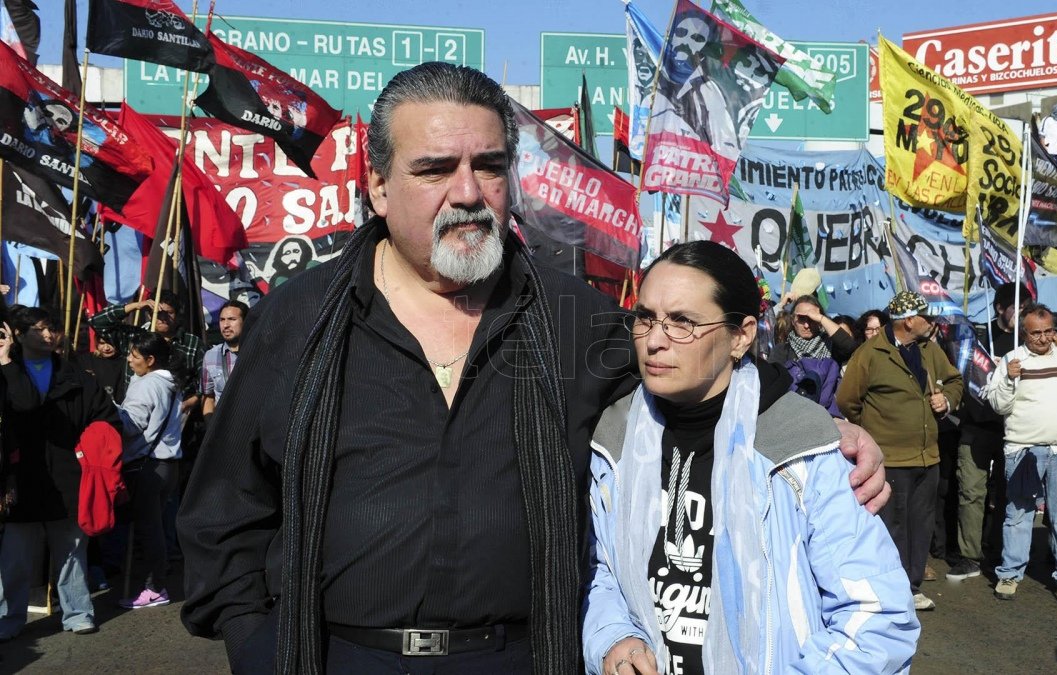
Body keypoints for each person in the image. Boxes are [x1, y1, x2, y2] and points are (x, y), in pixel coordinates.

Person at [176, 63, 889, 674]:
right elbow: (224, 513)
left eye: (487, 166)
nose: (467, 192)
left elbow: (701, 379)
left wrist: (817, 425)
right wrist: (257, 642)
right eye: (433, 169)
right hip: (335, 656)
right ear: (378, 187)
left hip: (525, 656)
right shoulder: (299, 319)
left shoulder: (575, 317)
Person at [583, 241, 918, 675]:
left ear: (741, 335)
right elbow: (598, 571)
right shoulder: (612, 441)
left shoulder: (802, 449)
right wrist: (613, 638)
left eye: (683, 322)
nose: (654, 341)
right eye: (645, 318)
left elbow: (878, 619)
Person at [838, 290, 964, 611]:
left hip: (927, 456)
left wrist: (946, 399)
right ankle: (889, 587)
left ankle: (911, 584)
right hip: (889, 458)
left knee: (920, 524)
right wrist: (874, 431)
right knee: (890, 524)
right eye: (926, 317)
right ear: (909, 321)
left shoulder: (929, 349)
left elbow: (955, 381)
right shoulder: (870, 354)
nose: (931, 323)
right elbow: (847, 400)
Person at [0, 306, 120, 639]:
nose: (50, 335)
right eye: (40, 329)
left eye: (53, 328)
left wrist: (91, 450)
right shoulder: (5, 370)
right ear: (19, 335)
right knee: (15, 559)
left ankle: (78, 613)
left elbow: (107, 419)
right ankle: (9, 618)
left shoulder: (76, 377)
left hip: (69, 477)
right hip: (20, 479)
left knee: (72, 554)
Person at [986, 305, 1057, 601]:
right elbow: (999, 406)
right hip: (1024, 450)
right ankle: (1009, 573)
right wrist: (1008, 378)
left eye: (1048, 332)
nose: (1043, 339)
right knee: (1019, 514)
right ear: (1024, 332)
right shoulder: (1011, 360)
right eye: (1036, 333)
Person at [946, 283, 1026, 582]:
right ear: (1000, 308)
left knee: (1008, 494)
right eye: (1018, 308)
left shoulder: (1027, 342)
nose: (1023, 314)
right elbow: (958, 369)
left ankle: (1000, 551)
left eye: (1027, 308)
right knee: (971, 491)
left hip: (1013, 429)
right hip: (976, 425)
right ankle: (970, 555)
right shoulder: (977, 337)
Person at [116, 333, 185, 610]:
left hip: (148, 465)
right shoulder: (169, 383)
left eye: (134, 355)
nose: (129, 360)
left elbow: (131, 425)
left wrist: (108, 408)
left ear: (151, 360)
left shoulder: (147, 386)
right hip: (167, 466)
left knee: (149, 530)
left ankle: (155, 588)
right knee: (154, 527)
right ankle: (154, 581)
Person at [89, 290, 204, 413]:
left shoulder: (192, 343)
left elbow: (205, 380)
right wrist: (137, 305)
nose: (163, 318)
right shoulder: (135, 337)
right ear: (149, 314)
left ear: (177, 314)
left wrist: (189, 402)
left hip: (177, 415)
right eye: (158, 313)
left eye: (169, 313)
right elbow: (96, 322)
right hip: (136, 412)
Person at [770, 294, 858, 365]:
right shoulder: (782, 351)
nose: (806, 325)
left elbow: (850, 347)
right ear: (793, 321)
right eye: (801, 318)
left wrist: (821, 318)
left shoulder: (831, 347)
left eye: (812, 319)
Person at [200, 300, 248, 423]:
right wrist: (210, 428)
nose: (225, 325)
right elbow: (208, 397)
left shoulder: (261, 352)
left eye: (232, 319)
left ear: (246, 322)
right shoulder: (210, 356)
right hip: (225, 431)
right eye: (222, 320)